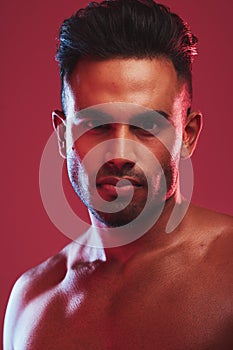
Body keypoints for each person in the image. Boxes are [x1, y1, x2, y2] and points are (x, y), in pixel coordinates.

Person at [4, 0, 233, 349]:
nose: (120, 154)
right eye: (96, 125)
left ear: (187, 135)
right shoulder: (33, 302)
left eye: (147, 127)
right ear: (64, 136)